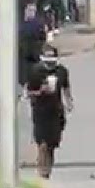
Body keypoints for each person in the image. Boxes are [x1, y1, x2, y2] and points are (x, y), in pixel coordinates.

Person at [25, 43, 74, 179]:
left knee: (52, 144)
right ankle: (42, 170)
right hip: (40, 111)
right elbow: (28, 92)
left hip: (56, 111)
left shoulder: (62, 71)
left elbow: (66, 87)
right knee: (42, 143)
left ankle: (48, 169)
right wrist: (40, 91)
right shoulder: (35, 71)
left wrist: (69, 101)